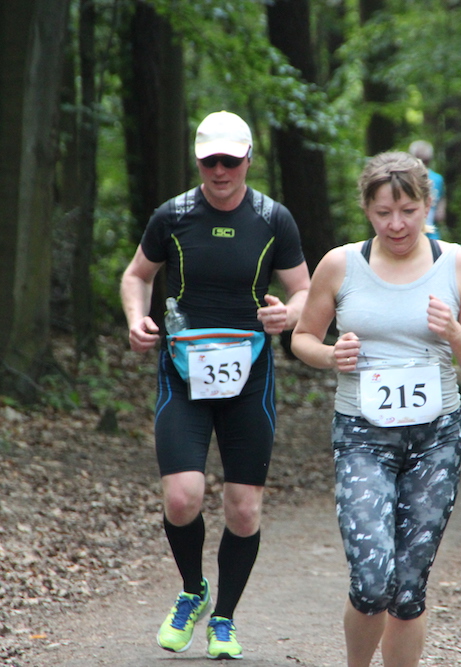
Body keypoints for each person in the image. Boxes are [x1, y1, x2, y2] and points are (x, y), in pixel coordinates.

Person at [120, 110, 311, 659]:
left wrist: (288, 314)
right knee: (183, 497)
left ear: (248, 158)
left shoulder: (273, 219)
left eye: (230, 160)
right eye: (210, 161)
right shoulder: (173, 215)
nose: (220, 171)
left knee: (244, 509)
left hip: (249, 374)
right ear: (198, 161)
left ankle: (223, 618)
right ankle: (193, 590)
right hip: (184, 371)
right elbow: (137, 275)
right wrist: (136, 319)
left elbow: (305, 290)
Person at [290, 151, 461, 667]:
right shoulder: (341, 264)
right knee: (372, 578)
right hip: (362, 434)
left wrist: (454, 333)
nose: (396, 224)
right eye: (383, 213)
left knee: (407, 589)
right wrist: (331, 355)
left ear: (429, 205)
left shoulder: (459, 263)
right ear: (366, 209)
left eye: (408, 211)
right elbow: (303, 337)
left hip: (436, 437)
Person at [409, 140, 447, 240]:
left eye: (425, 161)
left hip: (430, 230)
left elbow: (442, 198)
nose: (422, 164)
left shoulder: (437, 179)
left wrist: (440, 209)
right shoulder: (406, 178)